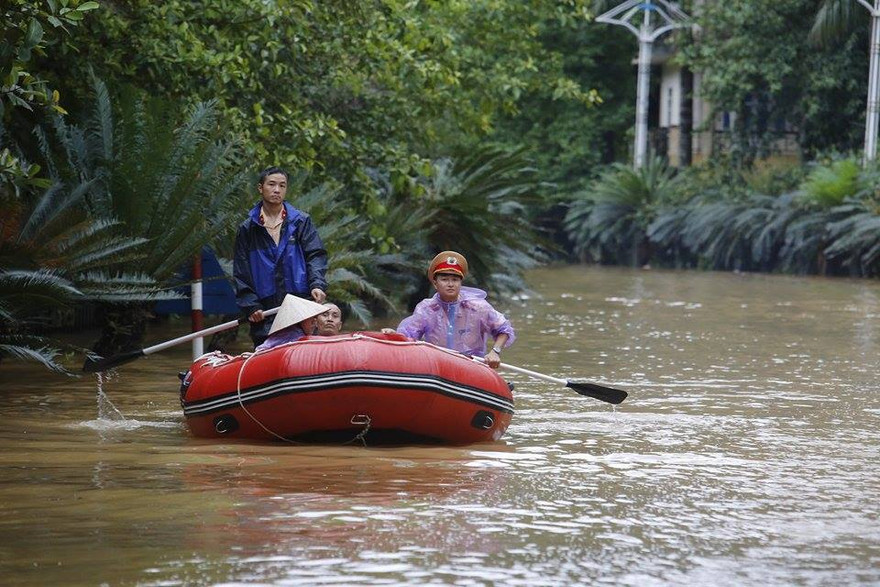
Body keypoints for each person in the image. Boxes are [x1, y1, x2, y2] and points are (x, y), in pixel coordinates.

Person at [234, 166, 328, 348]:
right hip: (265, 310)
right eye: (272, 184)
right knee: (266, 356)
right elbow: (241, 271)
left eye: (282, 186)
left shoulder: (301, 221)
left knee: (305, 353)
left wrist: (317, 284)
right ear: (260, 188)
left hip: (300, 305)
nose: (277, 190)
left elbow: (315, 255)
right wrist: (251, 305)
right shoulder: (247, 229)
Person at [392, 251, 514, 369]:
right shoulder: (426, 308)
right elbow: (408, 335)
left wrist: (495, 351)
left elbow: (504, 329)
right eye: (444, 279)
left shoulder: (478, 307)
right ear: (435, 283)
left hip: (472, 366)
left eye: (455, 280)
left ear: (460, 283)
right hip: (437, 365)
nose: (450, 284)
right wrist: (393, 335)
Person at [255, 294, 328, 351]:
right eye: (312, 318)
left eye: (316, 318)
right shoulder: (288, 334)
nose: (314, 323)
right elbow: (263, 348)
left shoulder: (303, 335)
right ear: (300, 319)